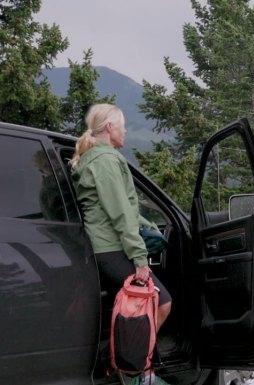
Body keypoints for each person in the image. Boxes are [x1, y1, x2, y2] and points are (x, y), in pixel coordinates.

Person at [70, 103, 171, 385]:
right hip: (110, 249)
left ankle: (134, 369)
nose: (126, 131)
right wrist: (140, 260)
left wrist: (149, 227)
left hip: (102, 248)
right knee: (160, 303)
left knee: (129, 312)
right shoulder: (105, 161)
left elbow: (123, 207)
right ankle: (134, 372)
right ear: (110, 128)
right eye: (123, 125)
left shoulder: (98, 158)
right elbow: (120, 214)